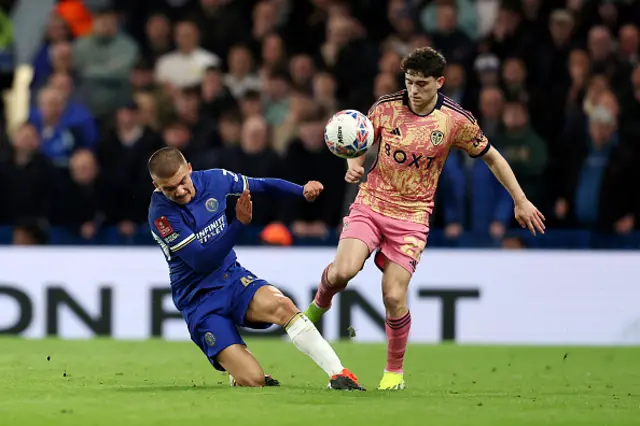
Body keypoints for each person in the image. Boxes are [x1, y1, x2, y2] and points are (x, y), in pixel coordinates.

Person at [304, 47, 546, 391]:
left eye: (421, 83)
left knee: (393, 295)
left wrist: (520, 200)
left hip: (412, 218)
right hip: (372, 203)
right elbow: (356, 139)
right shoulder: (385, 108)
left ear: (439, 82)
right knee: (344, 270)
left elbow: (492, 157)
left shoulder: (455, 120)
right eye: (409, 82)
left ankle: (393, 373)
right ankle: (319, 304)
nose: (414, 90)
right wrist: (353, 165)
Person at [147, 147, 364, 390]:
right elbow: (201, 261)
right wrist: (238, 224)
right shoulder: (161, 216)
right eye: (168, 188)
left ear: (189, 168)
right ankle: (237, 368)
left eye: (181, 182)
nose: (179, 191)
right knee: (254, 380)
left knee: (283, 306)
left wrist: (300, 190)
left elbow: (260, 185)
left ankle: (338, 374)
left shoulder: (215, 179)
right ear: (156, 185)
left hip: (231, 278)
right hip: (198, 299)